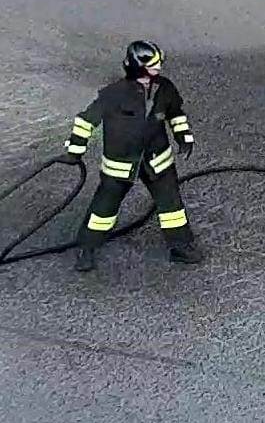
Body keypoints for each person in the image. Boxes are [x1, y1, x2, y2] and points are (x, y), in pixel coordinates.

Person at [56, 41, 202, 272]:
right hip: (120, 165)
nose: (159, 68)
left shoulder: (165, 89)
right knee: (104, 207)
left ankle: (180, 246)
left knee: (171, 206)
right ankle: (87, 248)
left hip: (157, 160)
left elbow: (175, 114)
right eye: (154, 65)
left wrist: (184, 137)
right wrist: (75, 151)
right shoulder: (113, 94)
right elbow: (86, 121)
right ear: (138, 67)